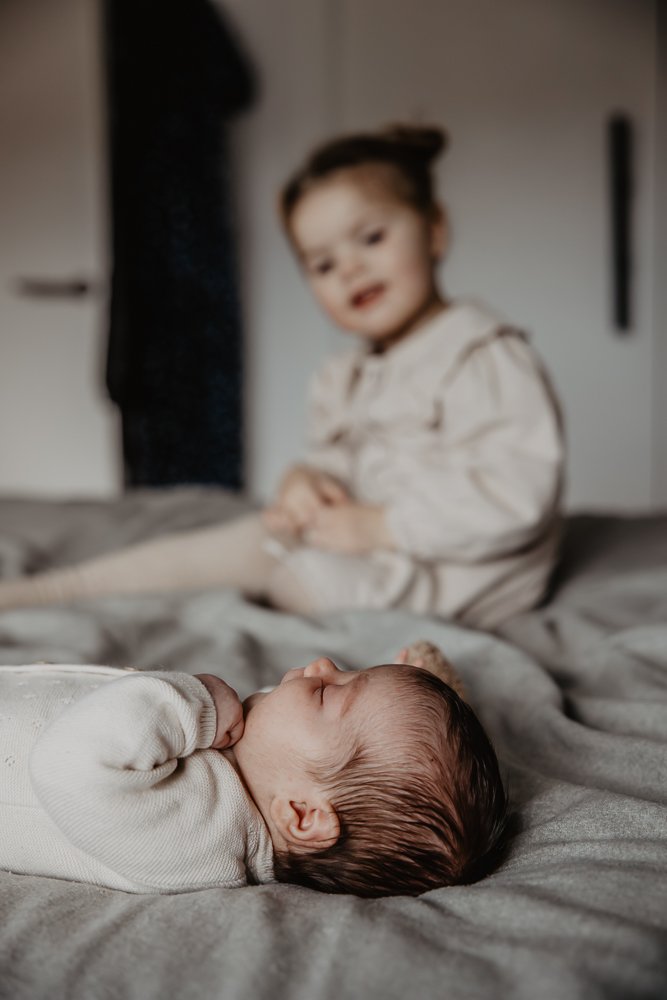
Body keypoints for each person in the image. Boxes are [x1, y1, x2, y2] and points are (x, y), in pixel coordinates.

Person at [0, 125, 563, 628]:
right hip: (367, 542)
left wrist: (382, 528)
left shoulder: (481, 353)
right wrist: (307, 479)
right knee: (255, 536)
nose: (350, 269)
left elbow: (517, 496)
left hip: (455, 567)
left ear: (435, 229)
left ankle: (242, 593)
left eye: (371, 238)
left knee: (296, 577)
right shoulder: (344, 374)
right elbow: (346, 464)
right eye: (322, 264)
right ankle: (51, 591)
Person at [0, 644, 507, 898]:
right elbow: (291, 733)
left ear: (303, 816)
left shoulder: (198, 839)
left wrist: (196, 700)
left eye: (330, 691)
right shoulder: (262, 779)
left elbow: (69, 766)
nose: (323, 662)